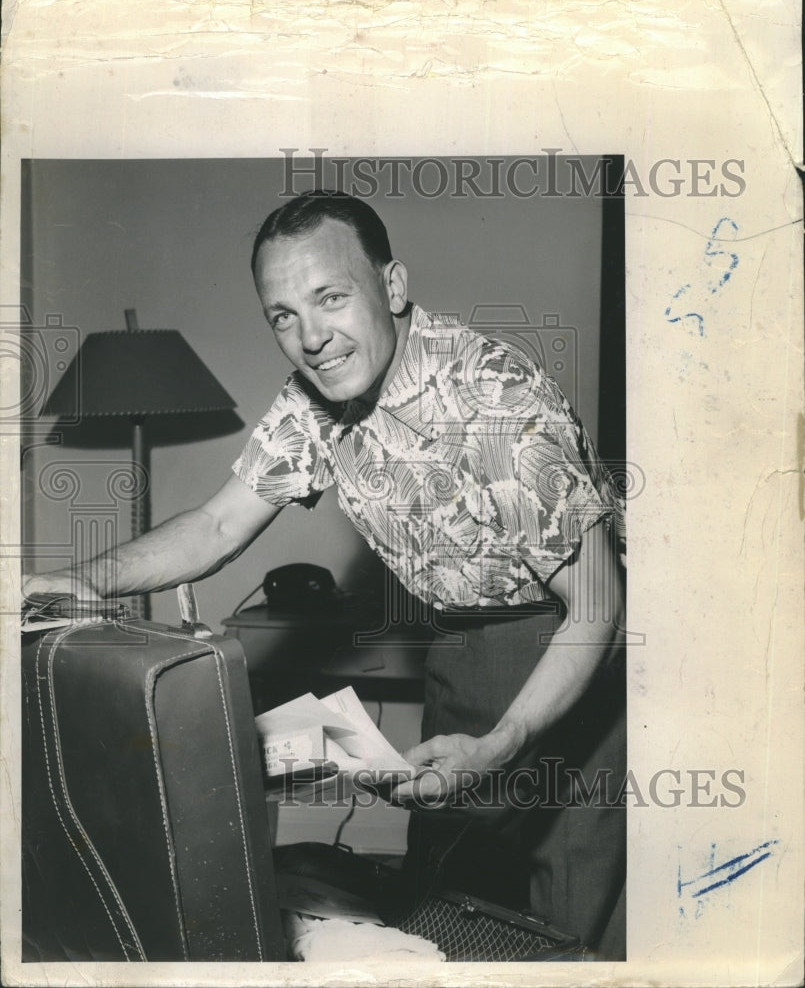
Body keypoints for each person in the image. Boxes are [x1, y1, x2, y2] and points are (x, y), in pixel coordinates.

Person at [23, 190, 626, 958]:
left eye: (330, 297)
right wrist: (88, 580)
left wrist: (503, 741)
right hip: (456, 647)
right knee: (453, 918)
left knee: (561, 938)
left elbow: (599, 603)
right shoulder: (315, 400)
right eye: (282, 315)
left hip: (568, 659)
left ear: (393, 287)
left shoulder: (497, 406)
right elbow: (215, 525)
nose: (311, 337)